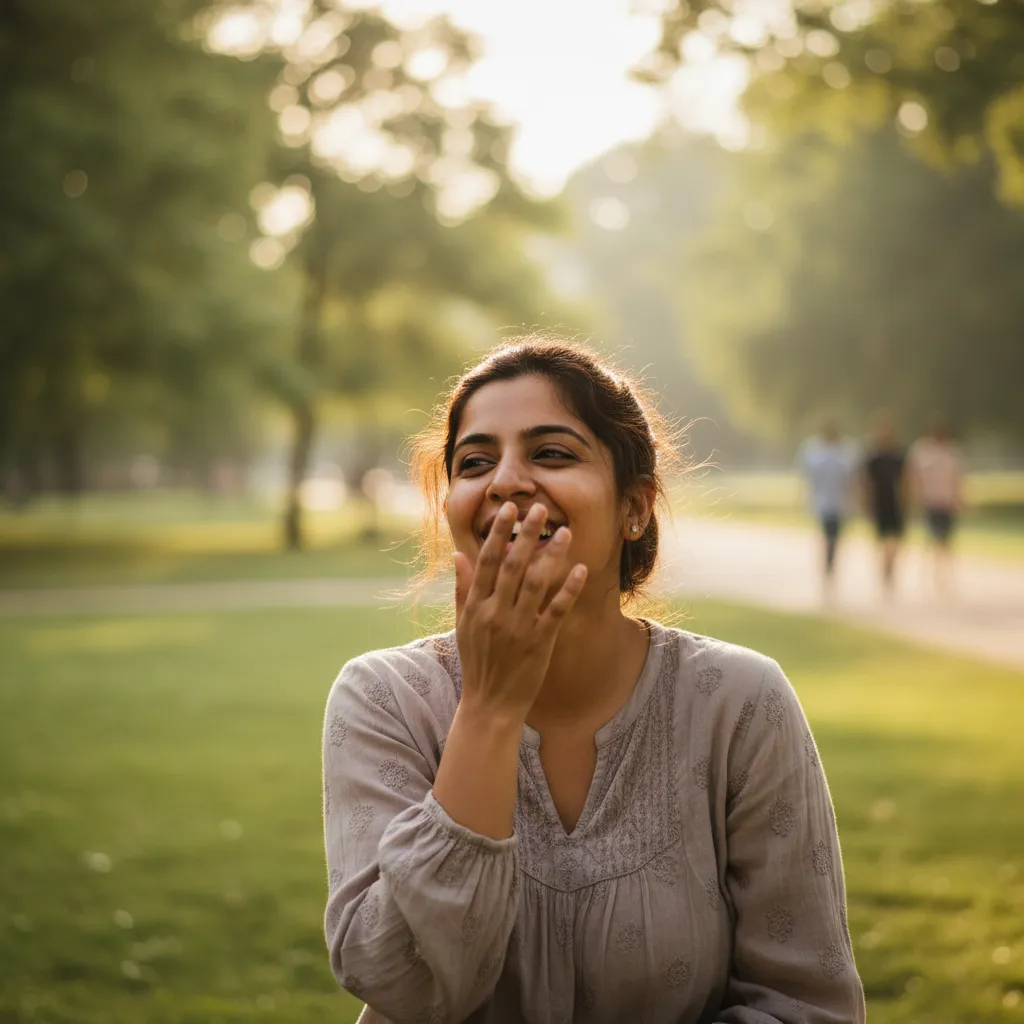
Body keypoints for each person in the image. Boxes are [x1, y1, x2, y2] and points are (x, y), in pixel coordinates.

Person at [322, 339, 865, 1024]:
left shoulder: (740, 704)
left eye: (551, 454)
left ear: (634, 507)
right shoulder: (382, 700)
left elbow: (804, 1005)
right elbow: (402, 985)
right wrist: (489, 710)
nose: (506, 482)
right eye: (475, 462)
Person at [797, 420, 858, 599]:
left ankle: (830, 570)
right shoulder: (814, 452)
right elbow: (808, 479)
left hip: (839, 505)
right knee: (828, 540)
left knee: (834, 540)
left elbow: (851, 481)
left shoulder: (845, 453)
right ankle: (827, 571)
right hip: (822, 505)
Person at [909, 419, 965, 598]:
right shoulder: (922, 453)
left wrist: (960, 499)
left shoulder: (952, 453)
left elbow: (958, 478)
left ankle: (946, 576)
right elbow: (915, 477)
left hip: (947, 503)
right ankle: (931, 576)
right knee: (933, 539)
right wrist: (916, 498)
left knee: (946, 542)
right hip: (930, 503)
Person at [861, 411, 907, 597]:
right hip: (879, 504)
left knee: (895, 542)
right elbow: (866, 483)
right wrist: (866, 505)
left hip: (895, 503)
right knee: (881, 542)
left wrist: (906, 502)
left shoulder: (898, 456)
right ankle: (884, 572)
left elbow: (904, 482)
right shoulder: (872, 458)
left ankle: (890, 568)